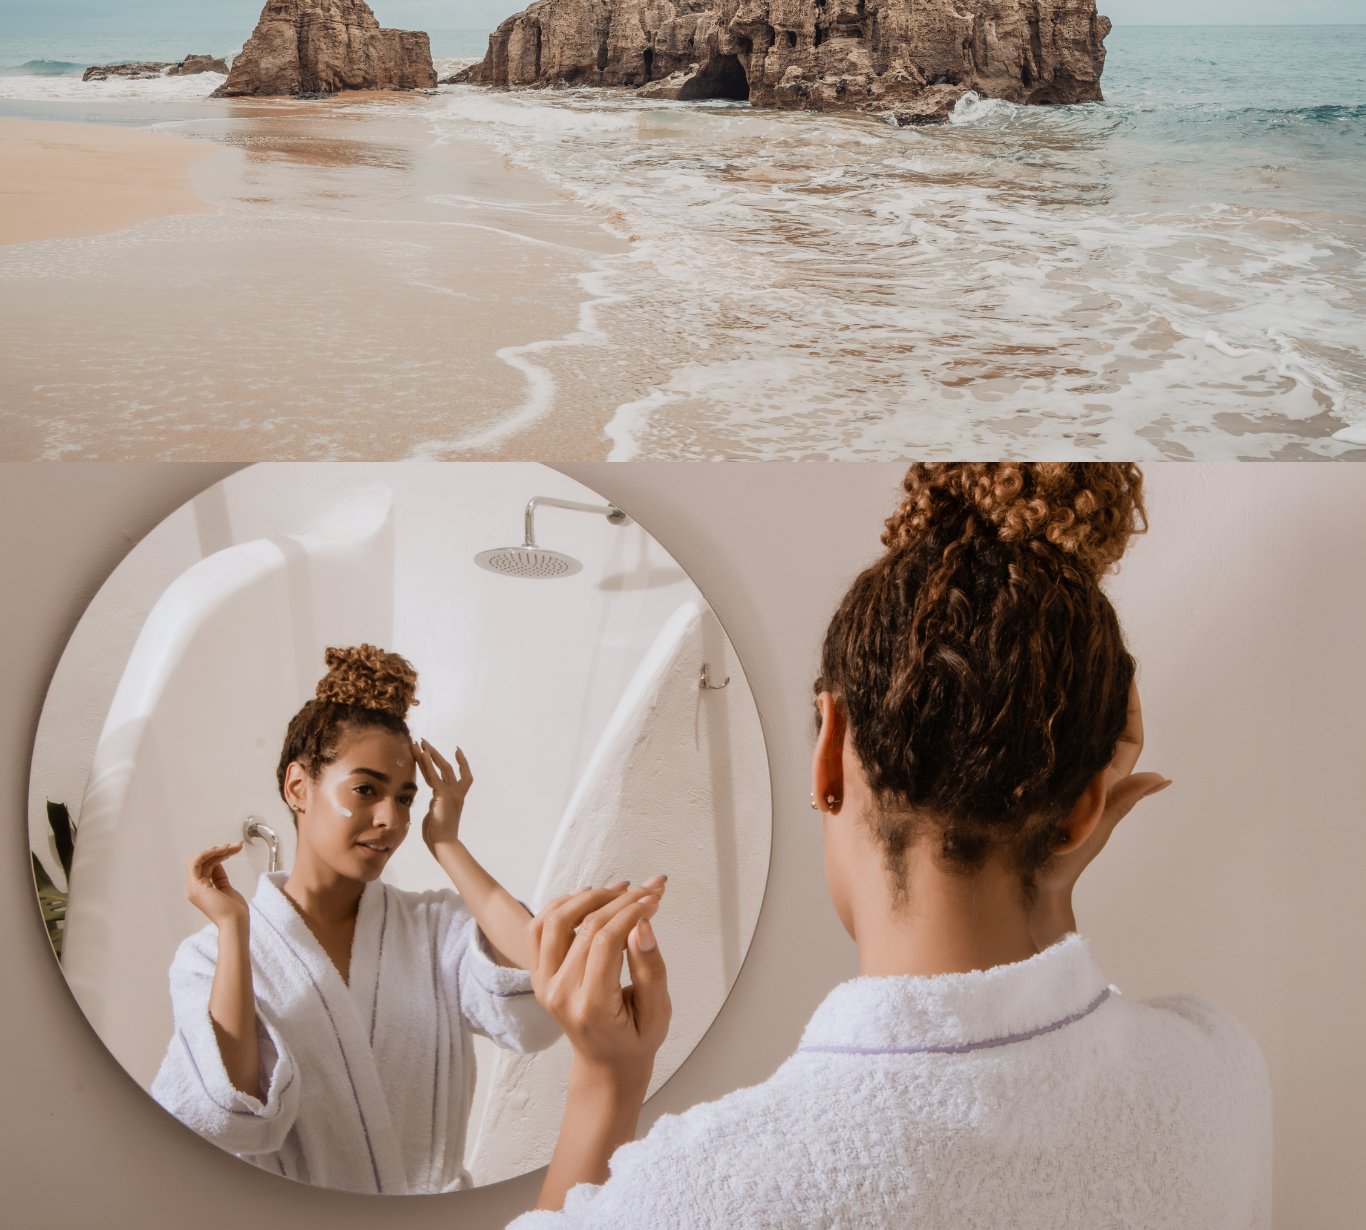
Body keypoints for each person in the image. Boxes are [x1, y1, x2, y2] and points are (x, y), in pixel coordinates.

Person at [501, 464, 1272, 1228]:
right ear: (1077, 813)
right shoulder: (1217, 1075)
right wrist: (1050, 888)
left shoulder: (698, 1196)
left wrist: (607, 1080)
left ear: (830, 750)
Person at [150, 640, 664, 1193]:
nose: (389, 819)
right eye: (367, 789)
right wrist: (233, 928)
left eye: (404, 798)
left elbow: (544, 988)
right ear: (298, 787)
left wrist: (447, 843)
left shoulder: (431, 927)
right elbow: (231, 1114)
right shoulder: (208, 957)